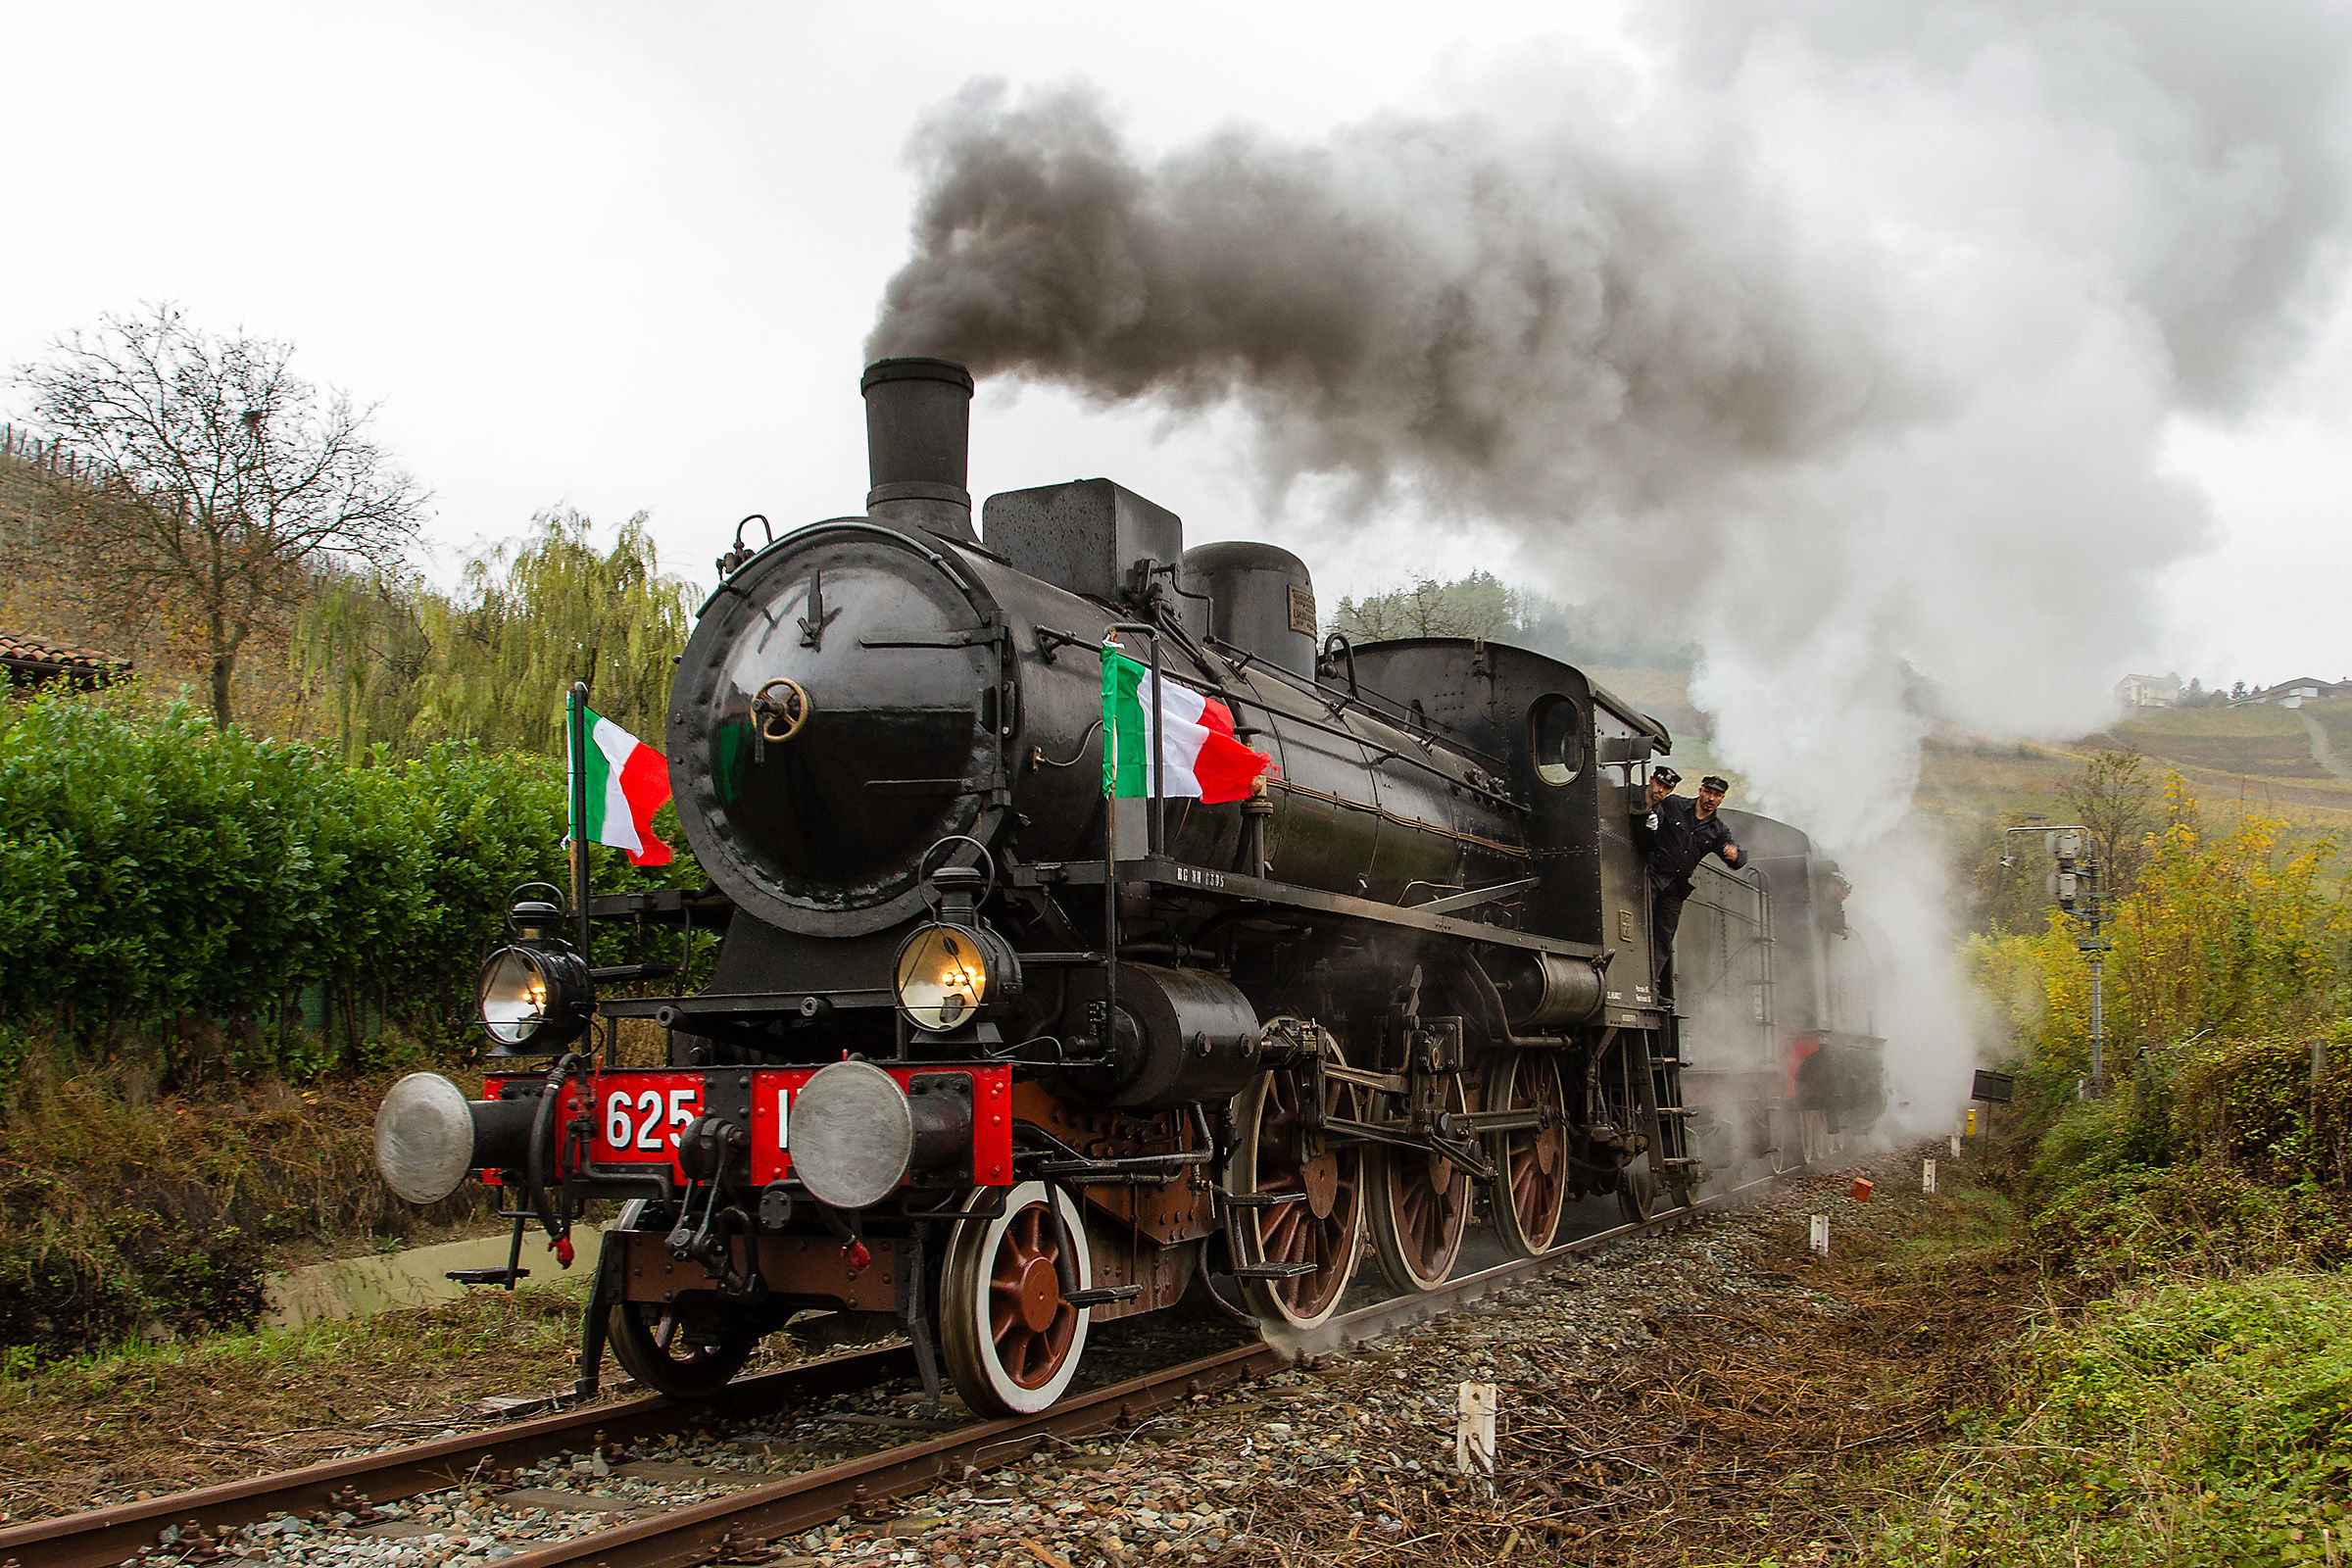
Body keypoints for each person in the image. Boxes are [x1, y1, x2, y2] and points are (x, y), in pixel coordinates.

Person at [1632, 771, 1745, 1002]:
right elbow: (1650, 811)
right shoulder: (1674, 805)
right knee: (1636, 924)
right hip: (1653, 874)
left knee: (1663, 937)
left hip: (1676, 887)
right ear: (1700, 791)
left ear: (1722, 799)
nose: (1711, 799)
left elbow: (1737, 859)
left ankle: (1650, 987)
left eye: (1717, 795)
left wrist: (1735, 856)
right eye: (1709, 793)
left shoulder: (1718, 830)